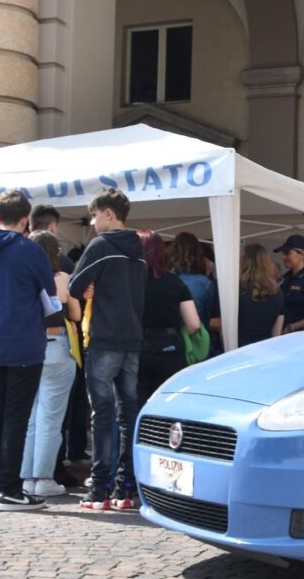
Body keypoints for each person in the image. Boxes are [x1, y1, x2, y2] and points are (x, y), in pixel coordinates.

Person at [0, 189, 58, 512]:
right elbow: (50, 299)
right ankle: (9, 489)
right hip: (22, 343)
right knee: (15, 418)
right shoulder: (30, 251)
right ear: (25, 220)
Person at [69, 189, 147, 511]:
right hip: (132, 340)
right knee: (127, 415)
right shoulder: (140, 249)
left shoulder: (100, 246)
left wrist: (90, 287)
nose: (91, 220)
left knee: (102, 415)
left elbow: (74, 286)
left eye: (94, 214)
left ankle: (99, 491)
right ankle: (124, 490)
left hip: (104, 340)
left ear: (109, 214)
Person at [20, 231, 81, 498]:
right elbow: (76, 314)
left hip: (28, 348)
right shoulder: (63, 279)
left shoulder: (22, 278)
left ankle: (25, 477)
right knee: (50, 418)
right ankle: (44, 477)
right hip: (57, 346)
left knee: (30, 418)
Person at [137, 229, 201, 419]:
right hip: (170, 347)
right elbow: (194, 324)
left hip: (137, 348)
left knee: (137, 406)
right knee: (167, 406)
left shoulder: (130, 282)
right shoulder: (175, 282)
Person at [209, 243, 285, 347]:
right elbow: (276, 333)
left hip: (237, 349)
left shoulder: (232, 290)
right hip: (265, 349)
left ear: (242, 262)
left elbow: (222, 326)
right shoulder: (277, 292)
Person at [273, 234, 304, 334]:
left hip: (301, 336)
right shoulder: (286, 278)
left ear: (302, 255)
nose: (283, 257)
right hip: (283, 336)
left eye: (287, 253)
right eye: (283, 253)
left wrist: (292, 327)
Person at [168, 232, 215, 327]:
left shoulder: (165, 280)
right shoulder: (205, 283)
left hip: (171, 336)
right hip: (197, 335)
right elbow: (208, 317)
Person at [29, 204, 75, 273]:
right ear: (52, 227)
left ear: (30, 228)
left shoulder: (17, 255)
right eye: (56, 226)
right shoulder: (64, 263)